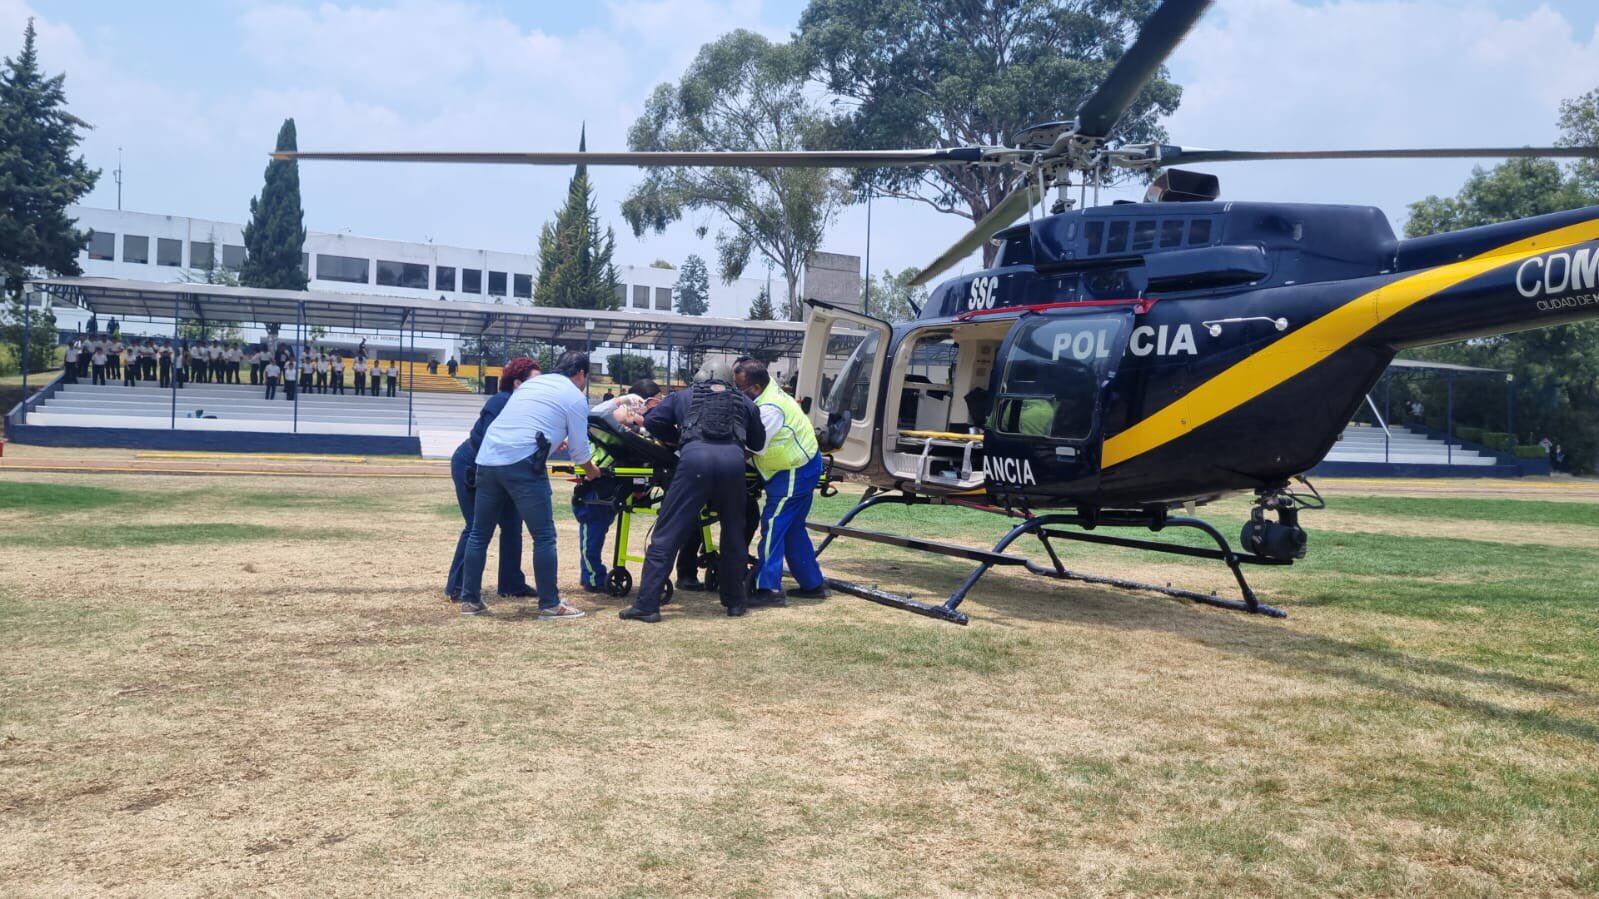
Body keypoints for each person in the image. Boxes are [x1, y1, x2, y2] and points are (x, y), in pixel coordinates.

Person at [620, 360, 765, 623]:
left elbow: (652, 421)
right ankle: (735, 602)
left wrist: (678, 438)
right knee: (733, 534)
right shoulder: (745, 401)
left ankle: (647, 605)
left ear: (699, 378)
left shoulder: (682, 396)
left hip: (694, 460)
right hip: (733, 464)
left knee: (667, 534)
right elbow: (758, 441)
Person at [457, 351, 599, 617]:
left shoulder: (532, 384)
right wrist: (592, 471)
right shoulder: (575, 397)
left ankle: (470, 600)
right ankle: (550, 604)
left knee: (479, 533)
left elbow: (526, 421)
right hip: (523, 463)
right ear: (581, 374)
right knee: (544, 536)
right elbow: (580, 451)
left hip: (487, 458)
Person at [446, 356, 542, 603]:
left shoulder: (526, 406)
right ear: (517, 383)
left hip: (502, 468)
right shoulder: (501, 401)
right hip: (473, 464)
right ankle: (458, 587)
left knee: (512, 525)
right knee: (476, 527)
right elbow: (490, 442)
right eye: (535, 381)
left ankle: (511, 584)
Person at [736, 359, 827, 605]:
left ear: (755, 387)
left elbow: (753, 448)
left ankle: (768, 589)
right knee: (792, 528)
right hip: (800, 465)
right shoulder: (768, 392)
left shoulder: (769, 409)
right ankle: (812, 584)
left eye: (740, 388)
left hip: (793, 470)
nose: (737, 392)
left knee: (774, 525)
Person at [572, 378, 662, 593]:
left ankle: (592, 576)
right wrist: (627, 406)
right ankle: (593, 578)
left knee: (595, 535)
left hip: (610, 489)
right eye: (655, 402)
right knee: (592, 537)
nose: (657, 407)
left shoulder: (629, 431)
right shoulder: (610, 421)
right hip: (595, 489)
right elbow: (602, 414)